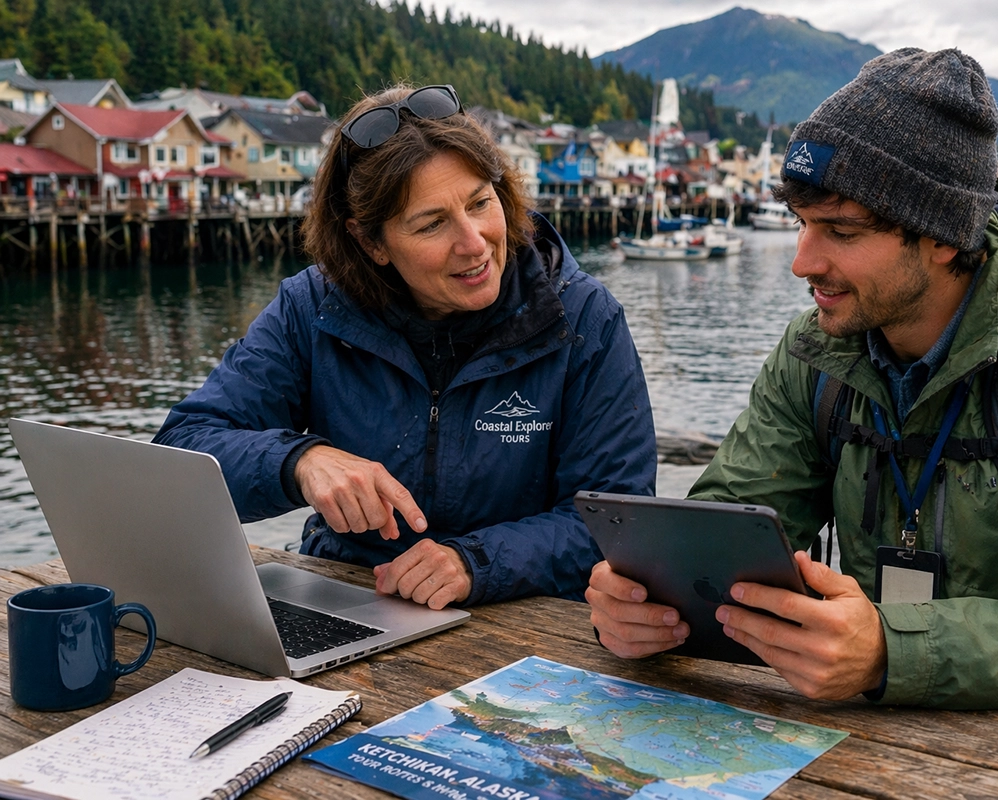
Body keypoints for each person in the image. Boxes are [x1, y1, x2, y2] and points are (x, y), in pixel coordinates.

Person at [587, 49, 998, 799]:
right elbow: (727, 526)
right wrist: (646, 601)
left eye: (840, 232)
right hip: (882, 732)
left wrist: (889, 651)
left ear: (943, 236)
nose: (801, 262)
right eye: (801, 224)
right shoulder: (817, 352)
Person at [155, 83, 656, 611]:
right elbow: (182, 452)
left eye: (480, 202)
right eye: (432, 224)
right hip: (347, 597)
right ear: (370, 243)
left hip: (522, 620)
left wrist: (474, 561)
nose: (474, 241)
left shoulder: (582, 318)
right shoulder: (313, 308)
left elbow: (618, 518)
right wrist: (299, 461)